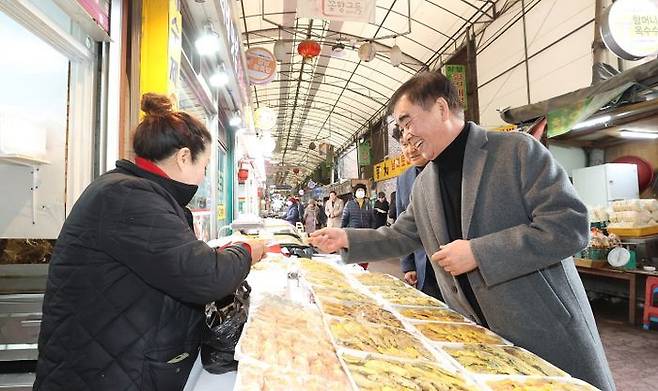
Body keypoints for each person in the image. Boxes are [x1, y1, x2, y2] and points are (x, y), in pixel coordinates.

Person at [310, 71, 615, 391]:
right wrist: (345, 238)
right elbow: (401, 235)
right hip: (478, 335)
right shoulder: (425, 183)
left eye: (407, 122)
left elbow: (569, 225)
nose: (405, 136)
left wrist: (478, 253)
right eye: (400, 129)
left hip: (541, 326)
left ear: (441, 108)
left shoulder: (515, 151)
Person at [34, 93, 266, 391]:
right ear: (184, 157)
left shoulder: (136, 191)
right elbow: (205, 276)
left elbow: (170, 261)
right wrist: (247, 250)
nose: (204, 175)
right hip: (100, 373)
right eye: (205, 165)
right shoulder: (129, 196)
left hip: (117, 361)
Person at [396, 132, 442, 301]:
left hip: (454, 265)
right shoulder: (404, 179)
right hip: (423, 268)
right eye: (404, 144)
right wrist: (408, 265)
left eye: (413, 142)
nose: (410, 150)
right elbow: (403, 226)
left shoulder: (445, 166)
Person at [341, 184, 372, 269]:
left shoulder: (368, 205)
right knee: (354, 255)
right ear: (355, 193)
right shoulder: (349, 204)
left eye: (362, 190)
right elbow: (344, 219)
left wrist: (372, 231)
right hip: (353, 232)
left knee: (365, 255)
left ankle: (363, 270)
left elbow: (372, 219)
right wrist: (342, 231)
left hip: (365, 233)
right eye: (358, 190)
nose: (360, 192)